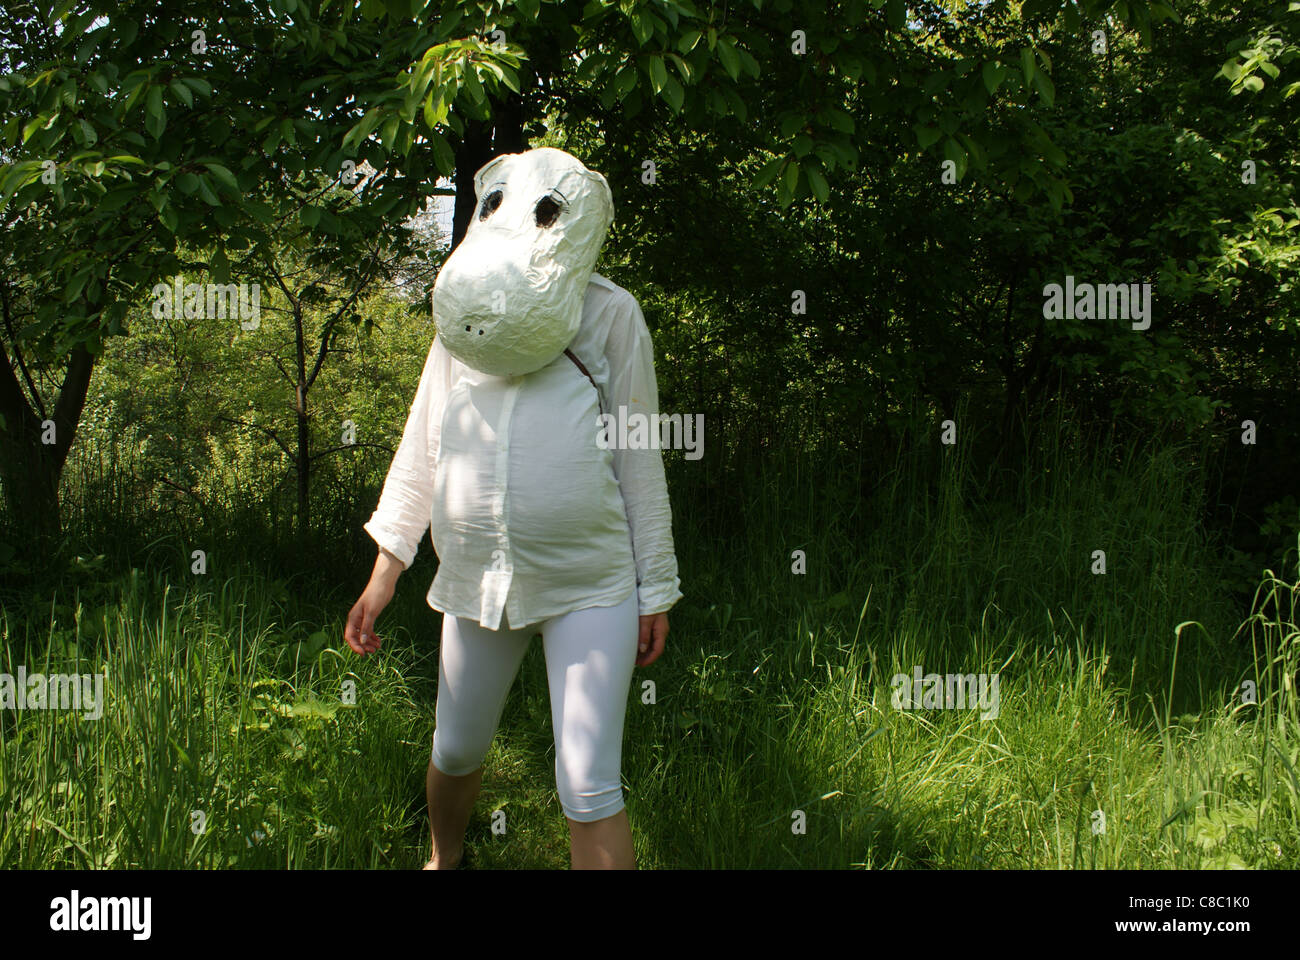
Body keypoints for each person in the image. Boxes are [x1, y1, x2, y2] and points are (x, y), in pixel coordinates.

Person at [343, 147, 682, 870]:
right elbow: (423, 441)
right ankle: (446, 860)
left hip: (591, 582)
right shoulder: (463, 314)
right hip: (475, 576)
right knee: (458, 747)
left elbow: (638, 457)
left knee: (588, 783)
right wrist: (386, 568)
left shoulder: (612, 314)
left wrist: (655, 586)